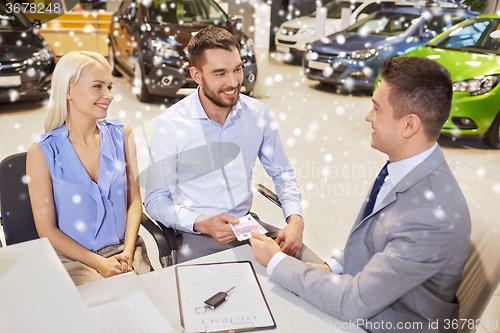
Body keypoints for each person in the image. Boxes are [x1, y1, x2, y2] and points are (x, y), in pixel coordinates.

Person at [250, 57, 471, 332]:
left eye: (376, 109)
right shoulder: (403, 167)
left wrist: (276, 261)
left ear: (409, 125)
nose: (368, 117)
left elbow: (353, 303)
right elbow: (375, 243)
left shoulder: (431, 214)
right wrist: (330, 268)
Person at [144, 26, 321, 264]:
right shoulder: (171, 124)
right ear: (197, 75)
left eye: (237, 69)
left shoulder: (257, 114)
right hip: (197, 234)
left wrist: (295, 220)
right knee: (208, 298)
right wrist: (202, 223)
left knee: (316, 273)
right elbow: (156, 199)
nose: (233, 82)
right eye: (220, 74)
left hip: (247, 226)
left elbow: (282, 173)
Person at [26, 51, 151, 286]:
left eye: (110, 86)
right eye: (98, 86)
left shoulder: (123, 135)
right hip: (76, 259)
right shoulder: (41, 153)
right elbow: (47, 230)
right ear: (68, 90)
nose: (109, 95)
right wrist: (100, 264)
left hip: (126, 250)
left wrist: (128, 252)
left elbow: (135, 201)